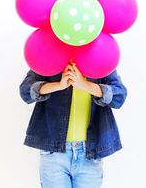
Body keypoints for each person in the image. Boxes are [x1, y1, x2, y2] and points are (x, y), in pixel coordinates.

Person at [19, 60, 127, 188]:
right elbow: (26, 91)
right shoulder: (50, 57)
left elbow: (119, 96)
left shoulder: (98, 58)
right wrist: (59, 85)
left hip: (89, 154)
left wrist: (85, 85)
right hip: (54, 153)